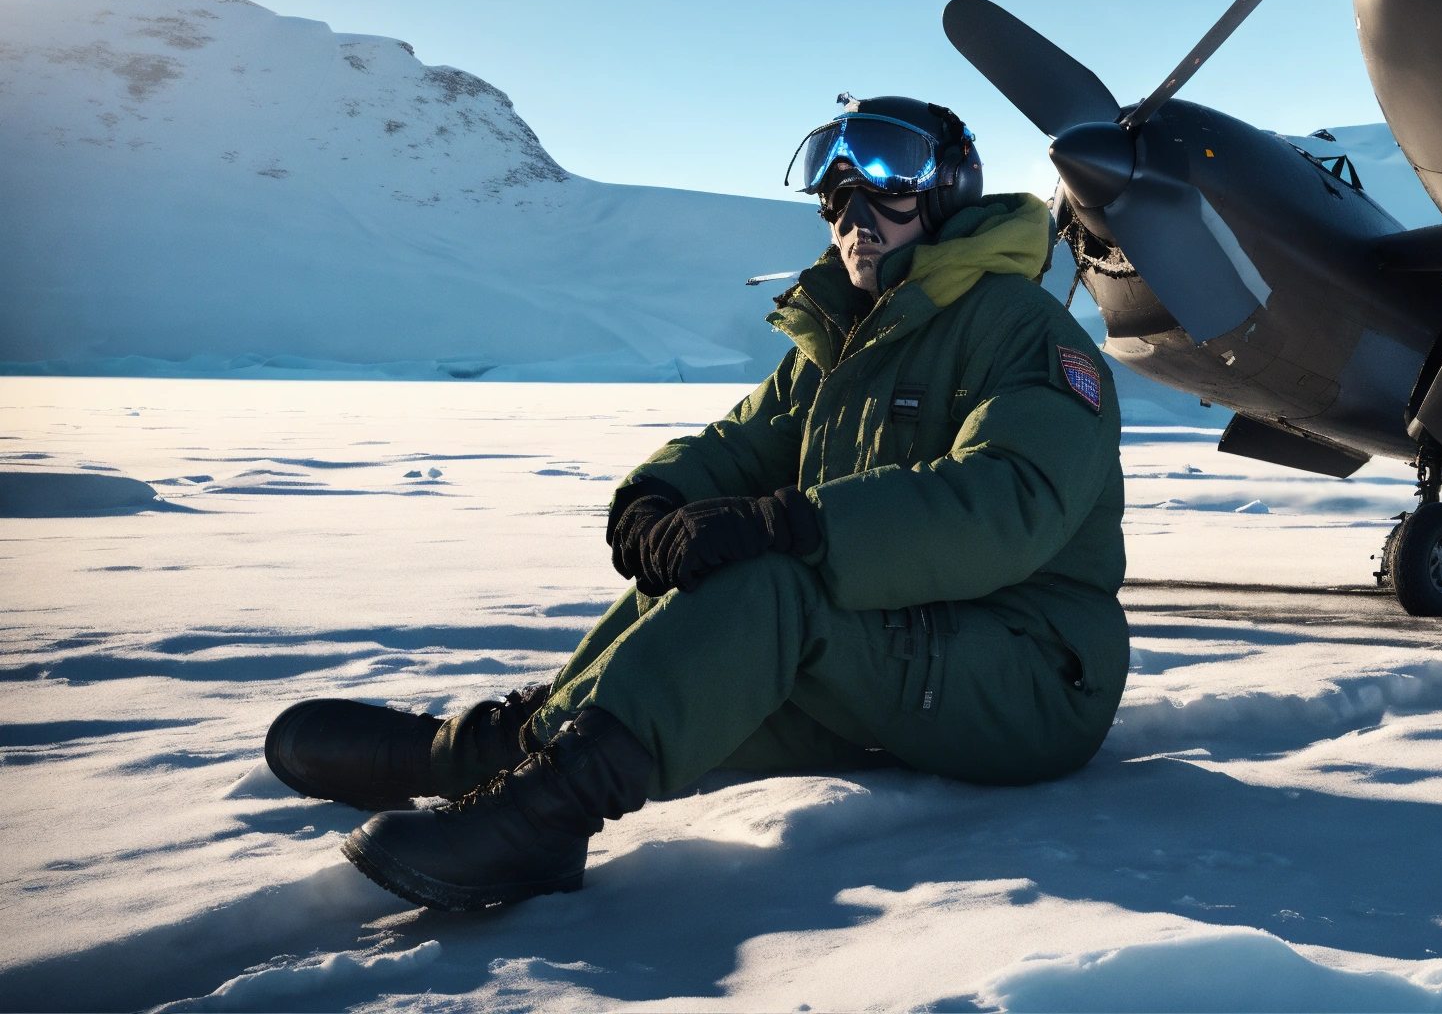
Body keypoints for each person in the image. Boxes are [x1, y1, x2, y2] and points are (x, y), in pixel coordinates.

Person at [263, 97, 1127, 911]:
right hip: (896, 649)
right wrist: (656, 500)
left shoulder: (1020, 327)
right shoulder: (851, 335)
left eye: (888, 175)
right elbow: (742, 444)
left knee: (773, 587)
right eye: (834, 189)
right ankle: (483, 757)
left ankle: (544, 821)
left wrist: (795, 523)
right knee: (696, 580)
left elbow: (1010, 499)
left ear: (948, 190)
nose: (854, 210)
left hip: (1033, 674)